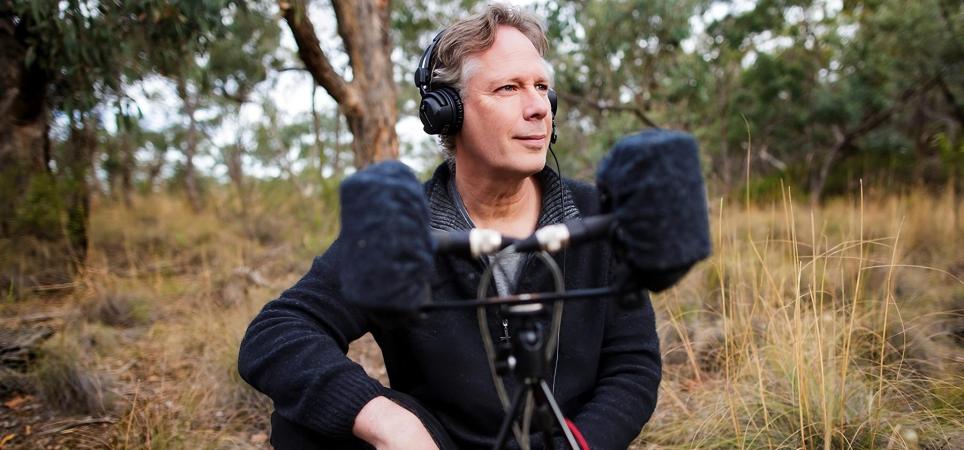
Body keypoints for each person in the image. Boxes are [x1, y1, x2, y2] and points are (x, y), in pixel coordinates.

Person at [238, 4, 661, 449]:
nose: (538, 107)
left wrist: (578, 444)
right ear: (447, 111)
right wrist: (383, 418)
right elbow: (278, 331)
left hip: (566, 443)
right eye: (508, 88)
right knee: (306, 421)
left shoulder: (598, 217)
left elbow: (633, 366)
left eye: (541, 87)